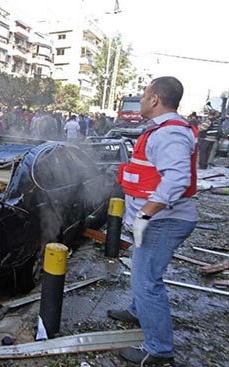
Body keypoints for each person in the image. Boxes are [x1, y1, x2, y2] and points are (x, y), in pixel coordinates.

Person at [112, 76, 198, 366]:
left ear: (155, 99)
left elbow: (177, 179)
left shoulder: (169, 134)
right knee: (141, 269)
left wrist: (145, 214)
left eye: (144, 93)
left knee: (147, 281)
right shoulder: (161, 131)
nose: (142, 98)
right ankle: (139, 311)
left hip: (163, 221)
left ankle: (159, 349)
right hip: (157, 221)